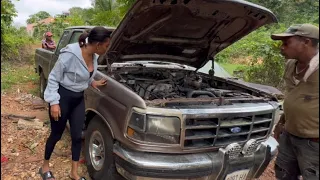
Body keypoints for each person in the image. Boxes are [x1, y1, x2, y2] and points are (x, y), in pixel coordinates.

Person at [39, 26, 112, 180]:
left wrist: (93, 83)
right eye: (106, 45)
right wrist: (54, 102)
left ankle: (74, 173)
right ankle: (44, 166)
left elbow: (84, 74)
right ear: (98, 44)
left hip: (78, 99)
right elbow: (53, 77)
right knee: (56, 135)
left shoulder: (94, 56)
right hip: (62, 98)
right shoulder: (70, 54)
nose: (108, 48)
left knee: (77, 136)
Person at [272, 24, 319, 180]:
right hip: (289, 135)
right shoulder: (291, 65)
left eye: (286, 43)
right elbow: (292, 96)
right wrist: (281, 123)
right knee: (284, 174)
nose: (282, 48)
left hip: (314, 142)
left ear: (306, 42)